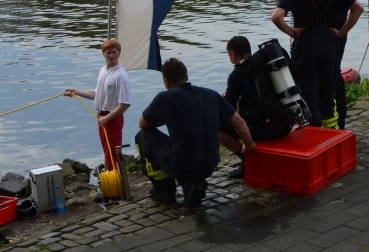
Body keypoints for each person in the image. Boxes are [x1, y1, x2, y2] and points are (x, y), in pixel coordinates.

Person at [137, 58, 252, 207]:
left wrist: (165, 119)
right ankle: (192, 184)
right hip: (210, 162)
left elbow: (143, 124)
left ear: (166, 81)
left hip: (180, 164)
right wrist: (248, 146)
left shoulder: (164, 97)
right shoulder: (211, 95)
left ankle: (163, 191)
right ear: (187, 76)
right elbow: (239, 121)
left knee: (143, 136)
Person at [273, 0, 363, 127]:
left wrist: (291, 31)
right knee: (328, 97)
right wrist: (342, 31)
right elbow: (358, 8)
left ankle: (316, 136)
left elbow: (276, 16)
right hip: (330, 43)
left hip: (307, 46)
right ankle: (333, 135)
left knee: (308, 95)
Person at [64, 38, 131, 171]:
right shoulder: (103, 71)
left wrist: (108, 118)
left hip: (112, 119)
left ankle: (116, 185)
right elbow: (97, 94)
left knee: (113, 154)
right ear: (103, 54)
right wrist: (77, 92)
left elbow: (125, 104)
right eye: (108, 53)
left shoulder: (121, 76)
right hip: (101, 117)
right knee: (107, 152)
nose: (111, 55)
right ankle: (110, 181)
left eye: (114, 52)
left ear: (119, 53)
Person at [312, 0, 354, 128]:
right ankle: (338, 120)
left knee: (333, 78)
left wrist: (342, 31)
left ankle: (339, 121)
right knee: (334, 76)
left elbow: (356, 8)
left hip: (335, 36)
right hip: (332, 37)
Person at [218, 36, 259, 178]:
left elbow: (227, 108)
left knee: (216, 127)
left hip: (262, 128)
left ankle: (247, 161)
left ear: (232, 54)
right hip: (280, 122)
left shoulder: (238, 73)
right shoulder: (260, 65)